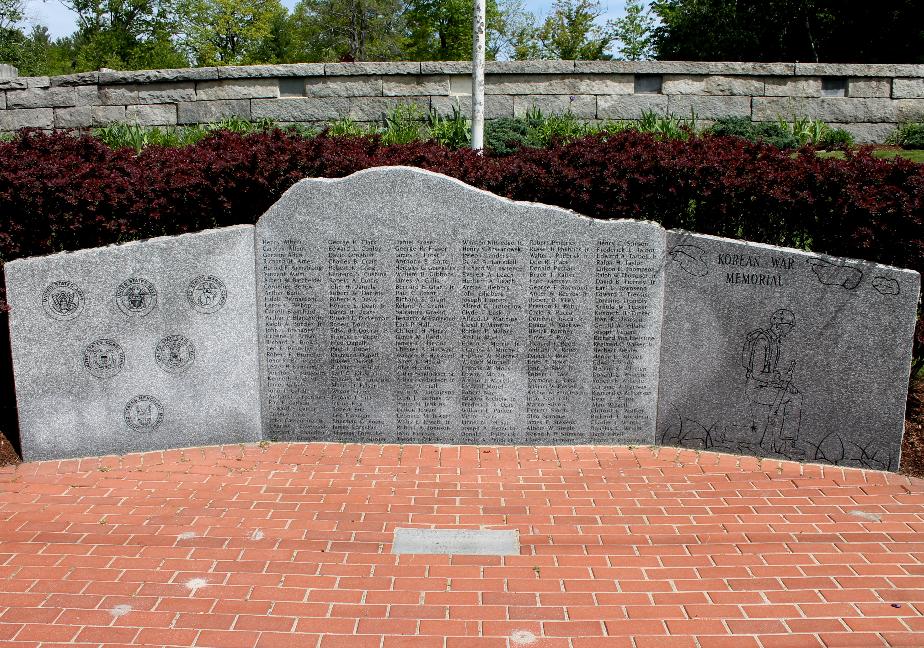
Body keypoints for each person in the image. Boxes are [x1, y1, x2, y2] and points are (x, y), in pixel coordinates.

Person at [741, 309, 803, 455]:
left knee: (794, 395)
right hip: (756, 388)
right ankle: (785, 445)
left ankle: (784, 444)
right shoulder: (763, 341)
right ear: (779, 324)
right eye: (789, 325)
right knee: (794, 399)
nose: (790, 328)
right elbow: (757, 373)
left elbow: (768, 372)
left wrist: (783, 383)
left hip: (766, 386)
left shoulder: (774, 342)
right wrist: (779, 380)